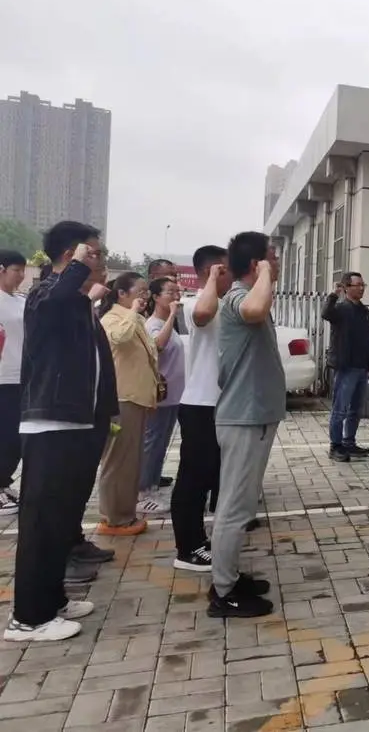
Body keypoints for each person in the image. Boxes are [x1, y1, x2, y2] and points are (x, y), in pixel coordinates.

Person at [8, 222, 118, 642]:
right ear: (73, 255)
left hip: (79, 423)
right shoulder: (45, 294)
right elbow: (54, 298)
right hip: (51, 423)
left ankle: (52, 599)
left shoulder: (76, 303)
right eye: (95, 253)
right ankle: (28, 618)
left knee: (61, 520)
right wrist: (77, 270)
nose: (102, 260)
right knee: (41, 523)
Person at [210, 232, 284, 617]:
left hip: (253, 417)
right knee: (235, 508)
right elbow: (254, 310)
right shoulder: (239, 296)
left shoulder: (247, 295)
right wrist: (266, 273)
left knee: (242, 504)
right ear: (257, 264)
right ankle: (224, 592)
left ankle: (230, 577)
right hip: (243, 417)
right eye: (273, 256)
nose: (278, 262)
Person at [171, 245, 230, 573]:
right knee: (193, 480)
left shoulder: (223, 303)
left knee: (208, 476)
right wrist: (211, 280)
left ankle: (198, 540)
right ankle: (187, 548)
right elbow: (203, 315)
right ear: (213, 271)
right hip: (199, 405)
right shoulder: (197, 302)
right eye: (226, 270)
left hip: (217, 405)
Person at [97, 272, 159, 535]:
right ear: (121, 294)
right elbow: (120, 338)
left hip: (137, 397)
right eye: (140, 291)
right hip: (122, 398)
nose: (144, 297)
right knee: (117, 461)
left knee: (131, 461)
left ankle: (125, 513)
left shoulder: (138, 319)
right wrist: (133, 312)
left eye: (146, 292)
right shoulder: (111, 318)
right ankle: (113, 517)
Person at [139, 276, 185, 513]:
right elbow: (158, 345)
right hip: (159, 396)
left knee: (160, 444)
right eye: (170, 292)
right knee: (152, 443)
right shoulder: (153, 324)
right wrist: (173, 315)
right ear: (156, 297)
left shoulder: (168, 323)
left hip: (172, 396)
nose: (176, 296)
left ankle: (152, 486)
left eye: (177, 292)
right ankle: (142, 492)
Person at [322, 273, 369, 461]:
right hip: (346, 367)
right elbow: (325, 313)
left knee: (356, 409)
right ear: (346, 287)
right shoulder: (341, 309)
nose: (361, 288)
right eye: (357, 285)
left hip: (362, 367)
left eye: (363, 285)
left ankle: (349, 442)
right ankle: (335, 446)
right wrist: (333, 295)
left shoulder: (364, 311)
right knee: (340, 408)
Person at [0, 250, 27, 515]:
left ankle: (3, 482)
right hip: (3, 378)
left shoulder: (20, 300)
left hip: (23, 376)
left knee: (17, 436)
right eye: (16, 270)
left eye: (22, 270)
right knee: (5, 435)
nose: (21, 275)